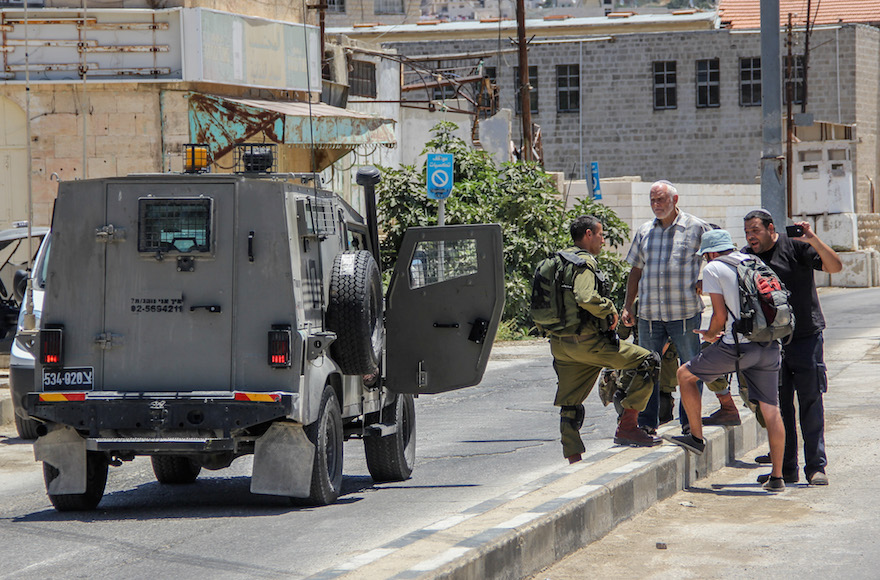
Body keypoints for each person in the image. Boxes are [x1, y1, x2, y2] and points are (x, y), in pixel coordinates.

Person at [666, 229, 788, 492]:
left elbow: (719, 316)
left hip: (737, 347)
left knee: (685, 375)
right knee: (771, 409)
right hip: (768, 345)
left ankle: (696, 438)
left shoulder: (714, 269)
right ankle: (778, 477)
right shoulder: (753, 262)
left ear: (710, 253)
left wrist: (709, 335)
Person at [621, 180, 735, 434]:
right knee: (647, 368)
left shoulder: (695, 227)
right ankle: (647, 423)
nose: (656, 205)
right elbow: (635, 271)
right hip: (649, 314)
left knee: (691, 368)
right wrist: (628, 305)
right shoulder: (643, 232)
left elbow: (721, 255)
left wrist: (706, 277)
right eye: (652, 200)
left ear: (675, 200)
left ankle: (688, 423)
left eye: (660, 199)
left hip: (684, 314)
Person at [549, 215, 662, 464]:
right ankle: (628, 426)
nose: (603, 240)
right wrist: (609, 309)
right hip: (589, 344)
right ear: (588, 235)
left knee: (570, 402)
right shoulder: (584, 262)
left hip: (560, 345)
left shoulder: (557, 260)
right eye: (601, 235)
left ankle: (573, 459)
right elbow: (585, 296)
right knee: (648, 361)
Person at [742, 209, 842, 486]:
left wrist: (813, 240)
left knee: (810, 402)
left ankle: (816, 467)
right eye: (748, 232)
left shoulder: (796, 247)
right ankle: (786, 468)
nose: (751, 236)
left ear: (771, 228)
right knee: (779, 407)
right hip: (770, 344)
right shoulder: (746, 258)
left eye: (756, 230)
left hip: (806, 338)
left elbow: (835, 267)